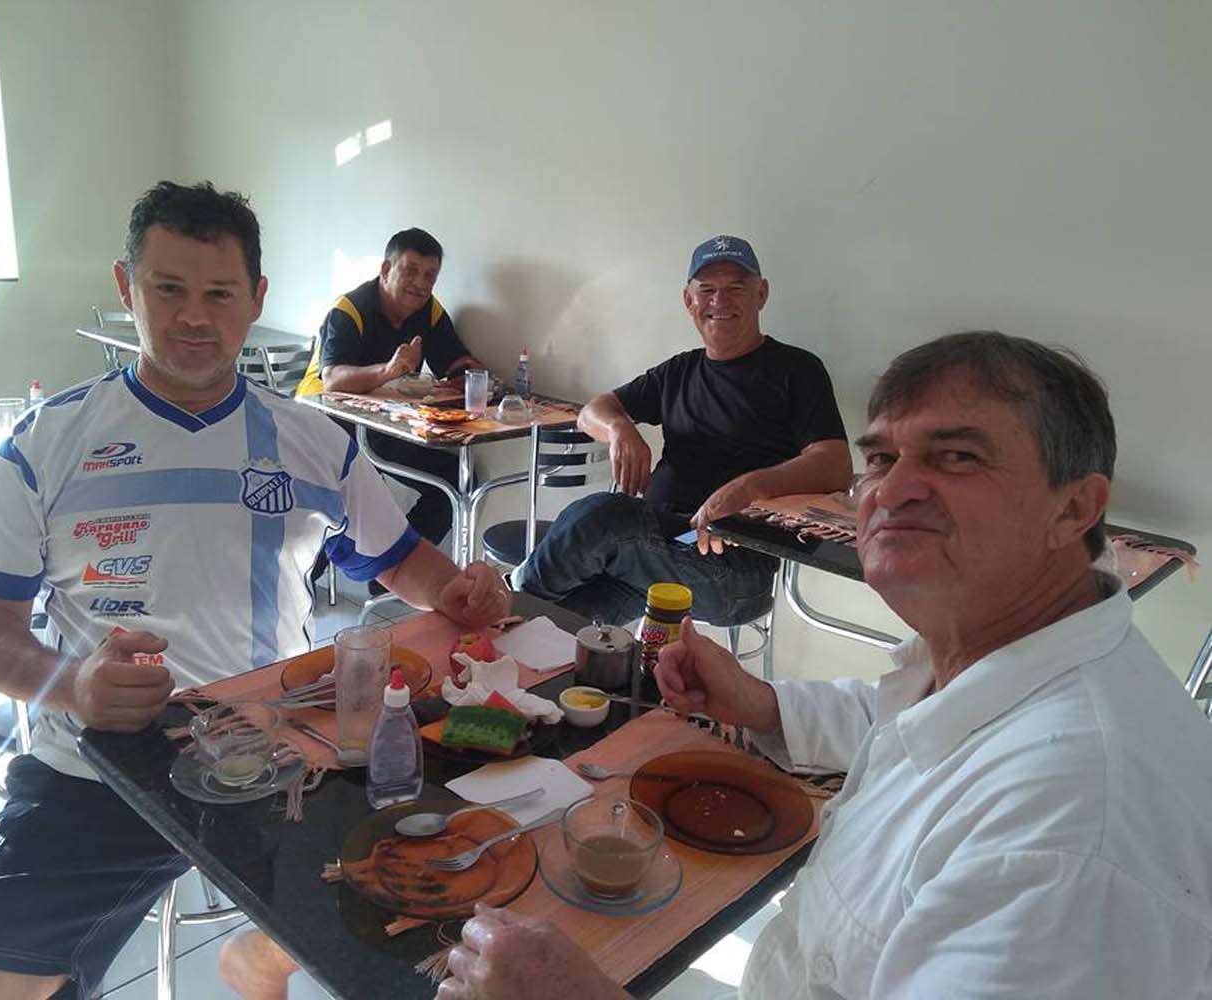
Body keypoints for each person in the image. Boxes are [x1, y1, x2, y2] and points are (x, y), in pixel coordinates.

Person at [437, 332, 1212, 1000]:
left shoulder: (1074, 840)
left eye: (957, 457)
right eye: (881, 458)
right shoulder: (998, 663)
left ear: (1073, 508)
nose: (892, 489)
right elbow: (919, 730)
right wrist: (766, 705)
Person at [0, 182, 511, 1000]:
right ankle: (267, 941)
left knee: (451, 923)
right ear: (126, 287)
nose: (192, 316)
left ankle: (265, 953)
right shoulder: (47, 442)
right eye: (167, 288)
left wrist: (454, 590)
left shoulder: (313, 439)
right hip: (100, 769)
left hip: (285, 762)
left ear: (257, 299)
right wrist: (69, 684)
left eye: (219, 293)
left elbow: (397, 560)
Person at [512, 235, 852, 627]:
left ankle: (507, 603)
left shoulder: (797, 370)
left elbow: (835, 465)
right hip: (655, 548)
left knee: (600, 516)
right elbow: (592, 413)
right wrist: (620, 428)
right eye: (707, 290)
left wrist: (748, 487)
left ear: (761, 294)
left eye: (736, 288)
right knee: (560, 624)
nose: (719, 301)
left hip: (732, 563)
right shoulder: (679, 371)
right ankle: (506, 637)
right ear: (689, 301)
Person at [295, 228, 484, 552]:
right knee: (356, 489)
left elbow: (454, 360)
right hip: (322, 420)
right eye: (411, 270)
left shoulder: (430, 311)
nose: (420, 283)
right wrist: (388, 370)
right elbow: (333, 380)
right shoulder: (349, 309)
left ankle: (396, 565)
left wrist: (473, 374)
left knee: (460, 479)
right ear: (386, 269)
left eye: (430, 275)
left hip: (383, 424)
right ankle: (316, 568)